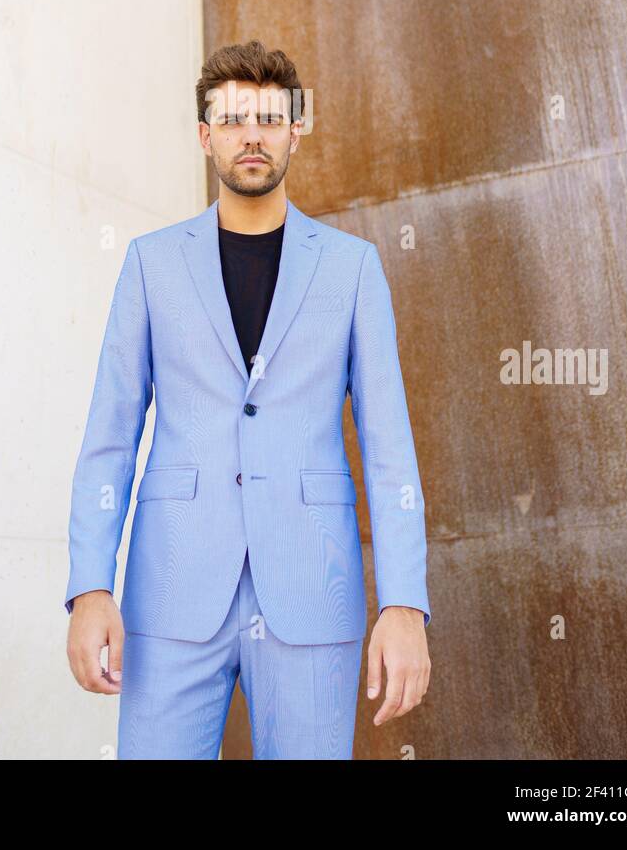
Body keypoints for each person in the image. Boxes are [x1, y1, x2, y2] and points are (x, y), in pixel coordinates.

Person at [65, 40, 431, 759]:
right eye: (232, 120)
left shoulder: (354, 270)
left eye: (269, 117)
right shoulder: (151, 264)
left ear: (296, 128)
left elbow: (390, 449)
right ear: (206, 136)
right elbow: (109, 437)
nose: (252, 134)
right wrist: (88, 588)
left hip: (312, 588)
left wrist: (404, 602)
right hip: (169, 593)